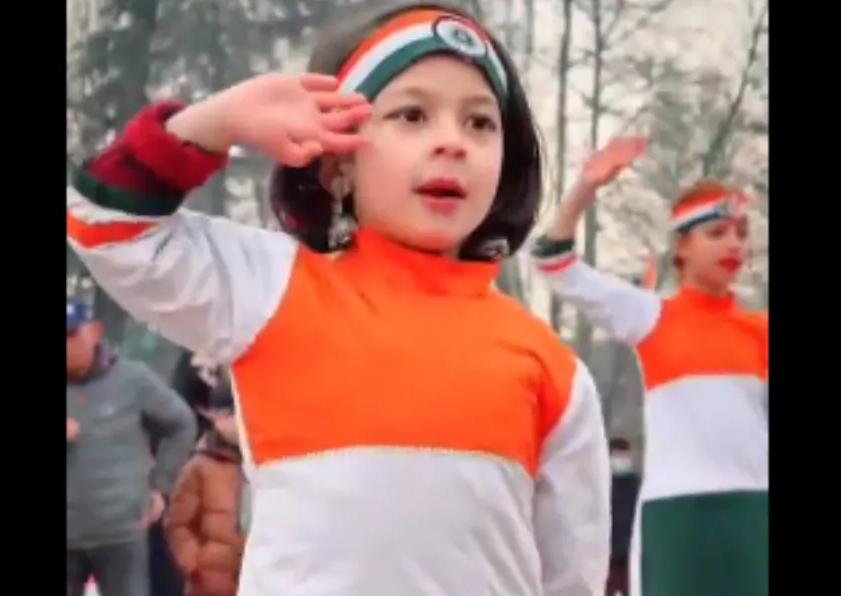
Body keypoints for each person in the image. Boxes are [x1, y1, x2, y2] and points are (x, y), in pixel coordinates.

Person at [63, 3, 611, 595]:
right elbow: (103, 225)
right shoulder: (270, 290)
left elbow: (572, 577)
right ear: (338, 164)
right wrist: (217, 121)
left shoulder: (553, 369)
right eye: (412, 115)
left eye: (480, 122)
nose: (452, 142)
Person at [530, 137, 768, 596]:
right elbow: (553, 263)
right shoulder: (650, 316)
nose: (733, 244)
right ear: (682, 246)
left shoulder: (760, 331)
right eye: (717, 233)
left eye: (741, 233)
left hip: (753, 510)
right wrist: (584, 189)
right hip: (675, 515)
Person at [67, 299, 198, 596]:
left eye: (71, 335)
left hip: (121, 531)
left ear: (94, 332)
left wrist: (161, 485)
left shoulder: (132, 379)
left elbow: (181, 423)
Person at [165, 380, 248, 596]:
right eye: (230, 414)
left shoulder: (265, 466)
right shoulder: (200, 467)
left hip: (256, 580)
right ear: (215, 418)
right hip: (209, 584)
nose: (238, 421)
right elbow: (178, 523)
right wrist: (194, 564)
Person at [606, 439, 641, 596]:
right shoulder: (603, 485)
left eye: (624, 455)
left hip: (630, 552)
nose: (621, 460)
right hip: (608, 554)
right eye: (617, 455)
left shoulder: (637, 484)